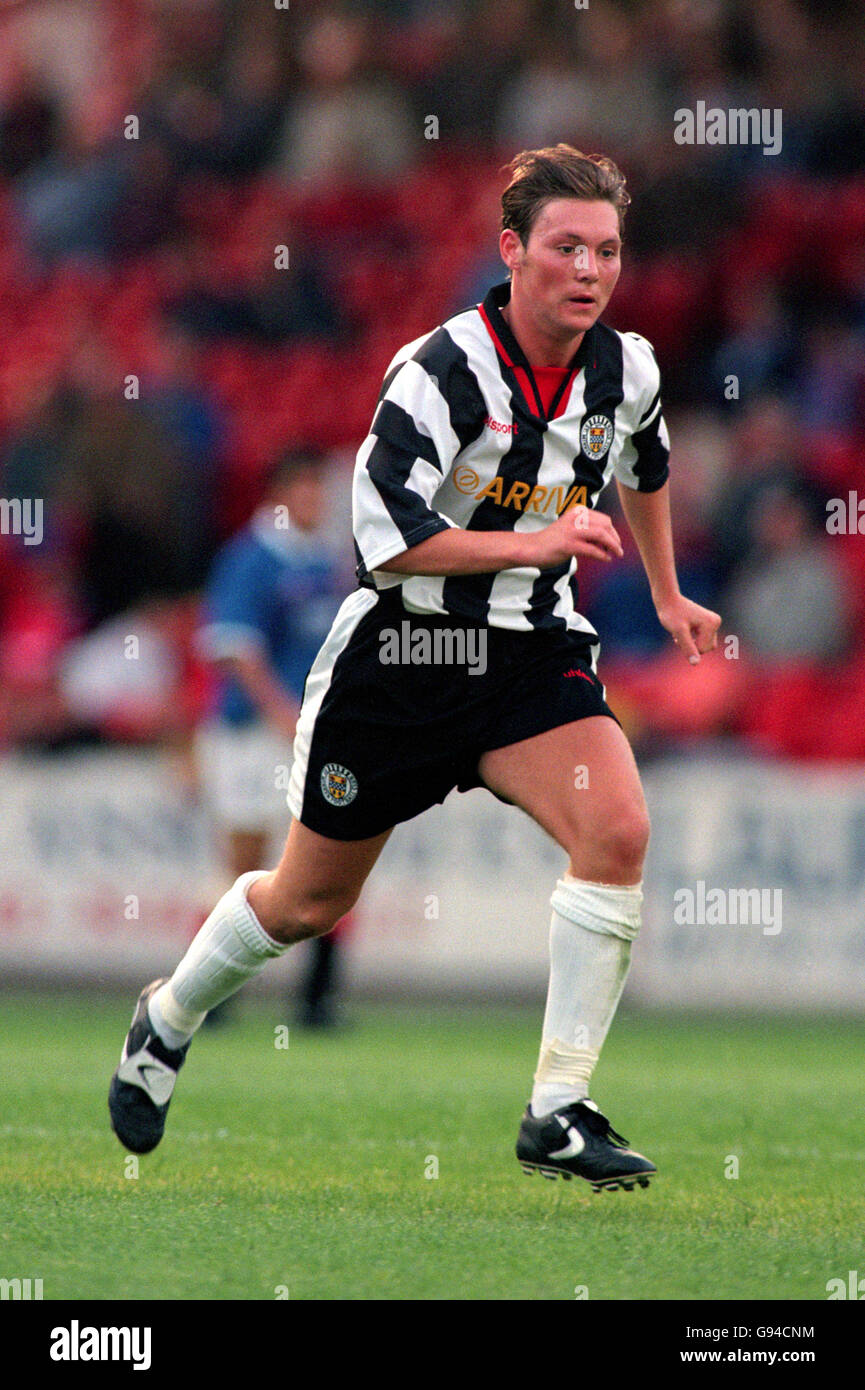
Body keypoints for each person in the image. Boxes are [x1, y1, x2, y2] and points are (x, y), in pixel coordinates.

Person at [109, 145, 721, 1192]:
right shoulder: (437, 372)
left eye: (607, 251)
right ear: (511, 251)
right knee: (306, 903)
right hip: (405, 655)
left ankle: (556, 1110)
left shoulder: (628, 370)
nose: (589, 270)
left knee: (617, 827)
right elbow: (384, 542)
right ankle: (166, 1016)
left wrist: (664, 592)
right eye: (566, 247)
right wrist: (529, 542)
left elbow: (647, 462)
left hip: (529, 655)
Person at [194, 448, 352, 1029]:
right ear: (281, 495)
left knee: (327, 851)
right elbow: (235, 648)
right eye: (307, 490)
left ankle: (318, 997)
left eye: (321, 491)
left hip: (310, 731)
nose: (318, 502)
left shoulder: (329, 560)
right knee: (246, 858)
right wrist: (280, 711)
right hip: (248, 733)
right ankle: (213, 993)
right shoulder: (251, 556)